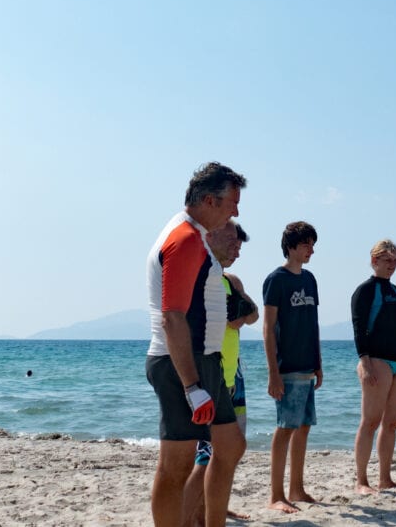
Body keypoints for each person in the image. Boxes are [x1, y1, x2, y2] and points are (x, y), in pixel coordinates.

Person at [144, 162, 247, 527]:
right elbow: (172, 317)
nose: (236, 211)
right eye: (232, 202)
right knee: (176, 464)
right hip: (181, 364)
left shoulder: (196, 236)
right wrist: (191, 386)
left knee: (231, 444)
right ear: (208, 199)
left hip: (206, 360)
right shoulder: (185, 238)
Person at [181, 222, 257, 526]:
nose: (237, 251)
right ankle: (190, 518)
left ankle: (213, 508)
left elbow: (253, 314)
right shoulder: (200, 277)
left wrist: (238, 313)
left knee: (230, 451)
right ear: (211, 238)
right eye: (234, 244)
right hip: (208, 376)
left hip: (232, 375)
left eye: (241, 247)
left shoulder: (230, 281)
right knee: (204, 457)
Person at [351, 239, 396, 493]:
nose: (392, 265)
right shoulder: (365, 291)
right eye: (387, 260)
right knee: (370, 421)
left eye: (395, 261)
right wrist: (365, 363)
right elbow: (358, 327)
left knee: (391, 423)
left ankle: (385, 478)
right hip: (376, 361)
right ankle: (361, 481)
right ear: (374, 261)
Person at [262, 221, 322, 513]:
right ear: (291, 246)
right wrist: (273, 372)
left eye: (312, 244)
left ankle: (297, 488)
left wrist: (319, 363)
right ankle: (276, 494)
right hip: (286, 367)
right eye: (306, 244)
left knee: (304, 427)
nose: (311, 250)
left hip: (307, 367)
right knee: (285, 428)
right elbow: (268, 327)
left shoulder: (310, 279)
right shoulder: (277, 279)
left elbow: (314, 324)